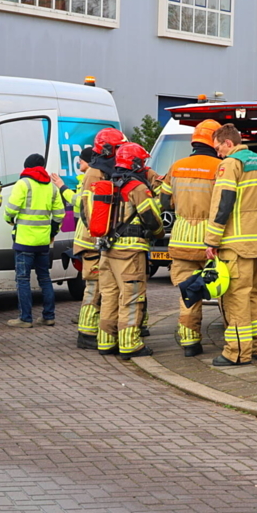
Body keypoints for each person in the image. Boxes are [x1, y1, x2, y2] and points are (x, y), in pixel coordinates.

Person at [203, 124, 257, 366]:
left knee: (235, 300)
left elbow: (223, 204)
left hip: (235, 245)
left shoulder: (231, 164)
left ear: (228, 143)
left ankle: (236, 353)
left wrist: (211, 240)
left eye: (218, 148)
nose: (218, 154)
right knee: (254, 296)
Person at [159, 119, 222, 357]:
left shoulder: (176, 166)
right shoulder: (221, 167)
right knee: (223, 293)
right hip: (211, 242)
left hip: (181, 240)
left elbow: (164, 202)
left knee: (188, 294)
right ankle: (233, 341)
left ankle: (189, 343)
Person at [97, 142, 164, 359]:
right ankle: (130, 344)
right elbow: (152, 219)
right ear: (135, 163)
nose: (144, 166)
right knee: (131, 298)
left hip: (107, 250)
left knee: (109, 296)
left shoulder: (108, 183)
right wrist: (159, 233)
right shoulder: (136, 188)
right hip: (130, 253)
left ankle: (106, 342)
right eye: (142, 162)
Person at [72, 129, 127, 347]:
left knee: (101, 288)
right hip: (92, 240)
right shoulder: (95, 173)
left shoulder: (105, 169)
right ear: (106, 150)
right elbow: (89, 210)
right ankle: (86, 334)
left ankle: (93, 330)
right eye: (117, 148)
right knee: (94, 287)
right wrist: (100, 237)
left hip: (98, 238)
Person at [4, 153, 65, 327]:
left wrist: (9, 220)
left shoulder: (23, 184)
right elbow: (60, 213)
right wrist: (52, 230)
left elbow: (11, 208)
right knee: (44, 278)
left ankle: (25, 318)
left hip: (24, 240)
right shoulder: (51, 187)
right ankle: (48, 316)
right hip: (43, 241)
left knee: (22, 279)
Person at [50, 146, 93, 331]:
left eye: (82, 159)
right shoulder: (85, 178)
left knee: (92, 281)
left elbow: (78, 201)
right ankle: (86, 314)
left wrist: (62, 187)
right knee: (89, 280)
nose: (79, 162)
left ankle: (88, 317)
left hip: (88, 234)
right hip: (83, 232)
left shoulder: (90, 179)